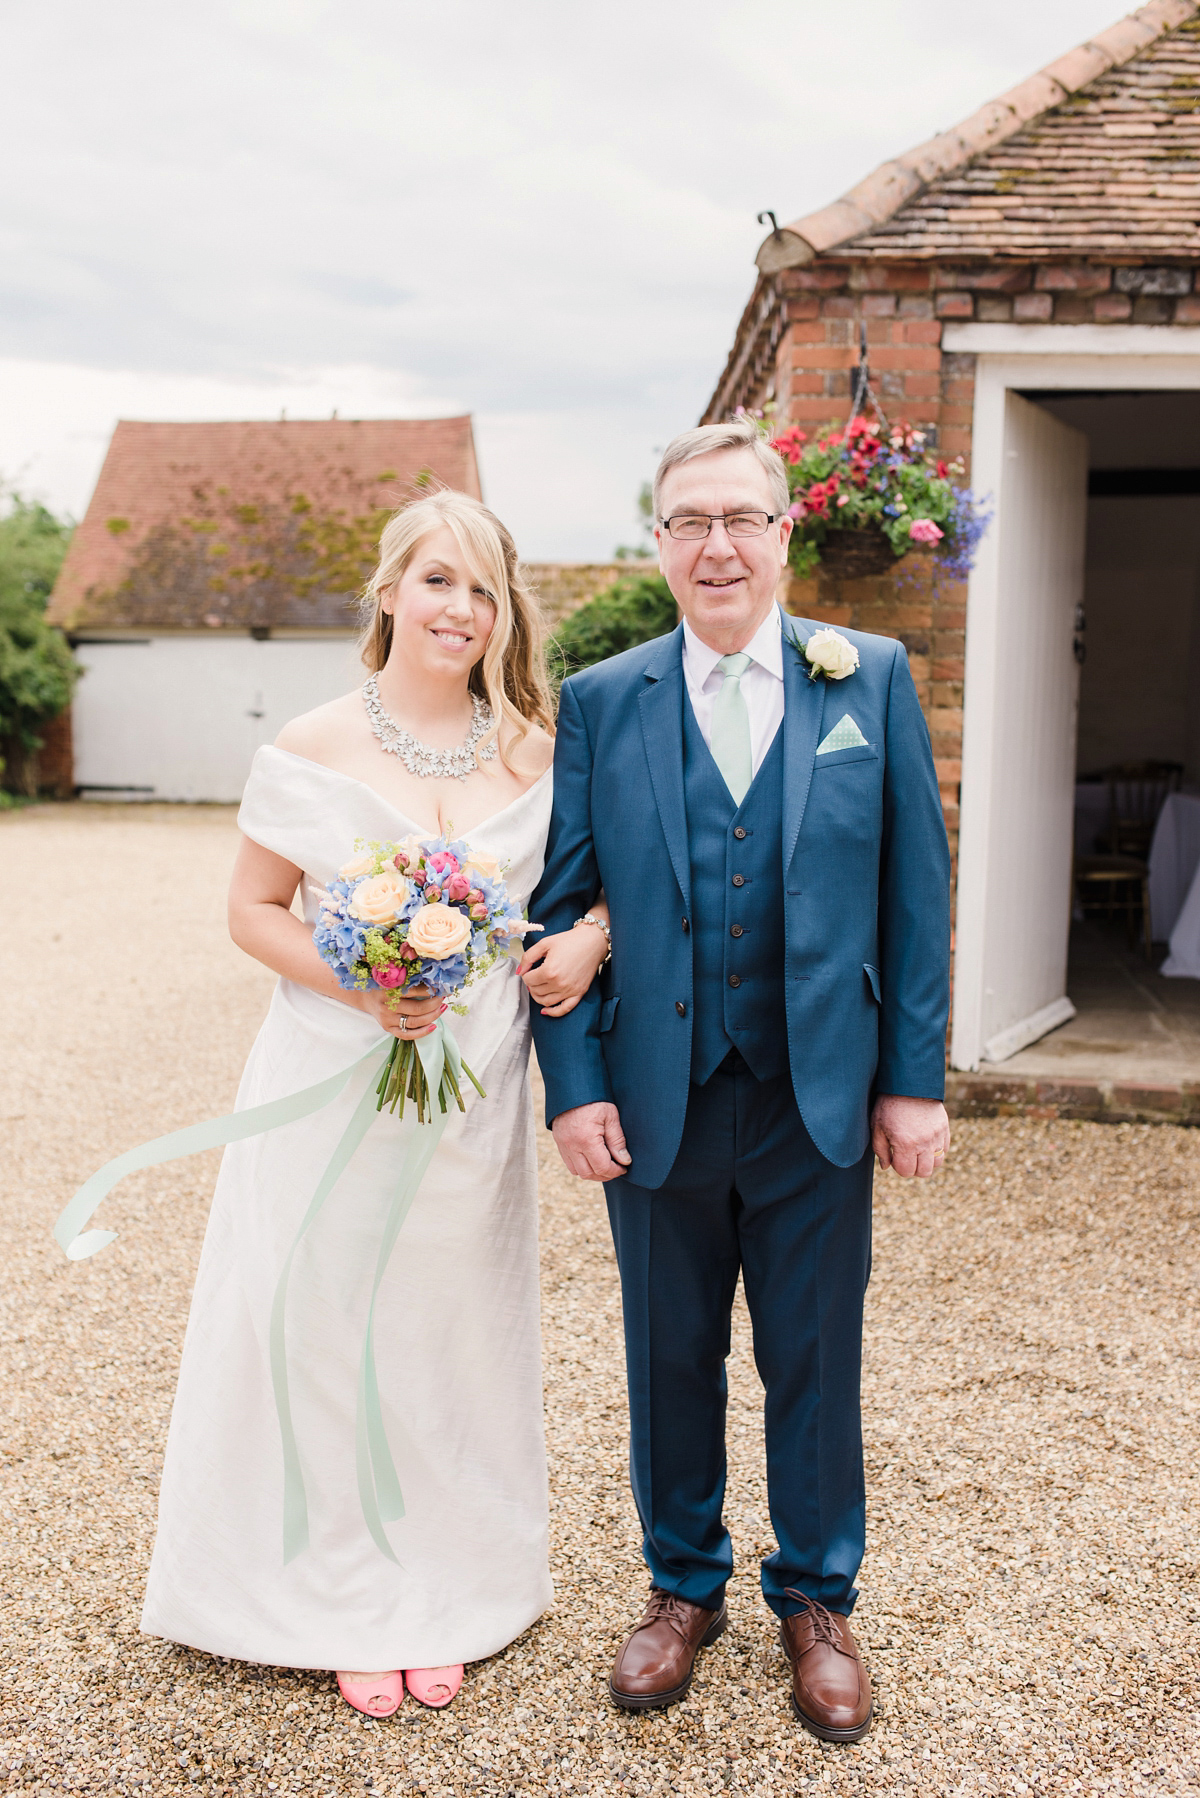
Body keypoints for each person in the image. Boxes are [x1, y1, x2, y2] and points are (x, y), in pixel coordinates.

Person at [141, 490, 610, 1717]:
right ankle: (339, 1594)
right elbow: (252, 912)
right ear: (391, 591)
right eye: (440, 581)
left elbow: (586, 898)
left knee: (447, 1330)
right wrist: (362, 984)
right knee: (322, 1321)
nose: (461, 609)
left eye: (485, 590)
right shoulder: (309, 741)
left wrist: (594, 936)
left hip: (472, 1099)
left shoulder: (539, 750)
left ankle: (447, 1581)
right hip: (332, 1076)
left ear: (506, 615)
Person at [530, 418, 952, 1742]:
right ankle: (682, 1586)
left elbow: (914, 899)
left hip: (816, 1088)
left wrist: (914, 1078)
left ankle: (818, 1599)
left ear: (782, 533)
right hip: (656, 1088)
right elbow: (564, 902)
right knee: (670, 1352)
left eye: (741, 519)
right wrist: (573, 1082)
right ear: (658, 544)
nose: (717, 545)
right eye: (689, 522)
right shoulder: (604, 699)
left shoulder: (867, 678)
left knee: (816, 1356)